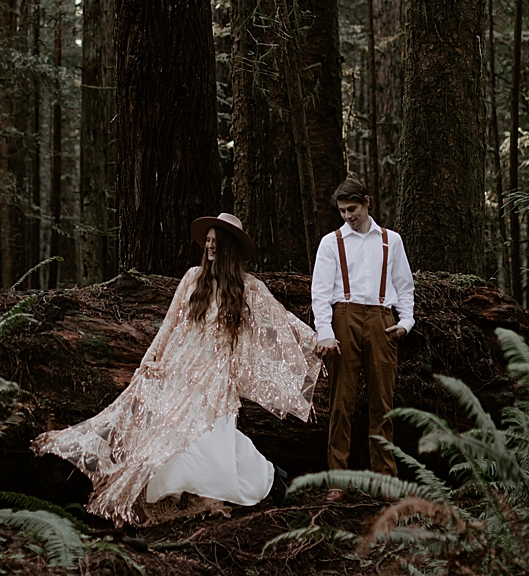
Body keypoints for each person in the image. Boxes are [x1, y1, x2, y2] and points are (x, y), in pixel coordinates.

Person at [36, 212, 320, 524]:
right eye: (208, 241)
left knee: (212, 435)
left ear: (228, 247)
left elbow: (279, 321)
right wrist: (149, 359)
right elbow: (170, 324)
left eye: (215, 241)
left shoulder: (247, 288)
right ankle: (207, 487)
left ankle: (263, 478)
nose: (210, 246)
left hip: (217, 374)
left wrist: (318, 340)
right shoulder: (192, 278)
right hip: (182, 368)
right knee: (176, 434)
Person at [310, 178, 415, 491]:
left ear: (367, 202)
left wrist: (406, 321)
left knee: (382, 402)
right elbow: (320, 292)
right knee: (341, 402)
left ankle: (385, 480)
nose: (347, 216)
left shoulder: (390, 241)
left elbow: (404, 284)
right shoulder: (331, 243)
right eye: (342, 211)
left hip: (382, 320)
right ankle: (337, 482)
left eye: (352, 209)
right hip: (344, 318)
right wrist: (325, 332)